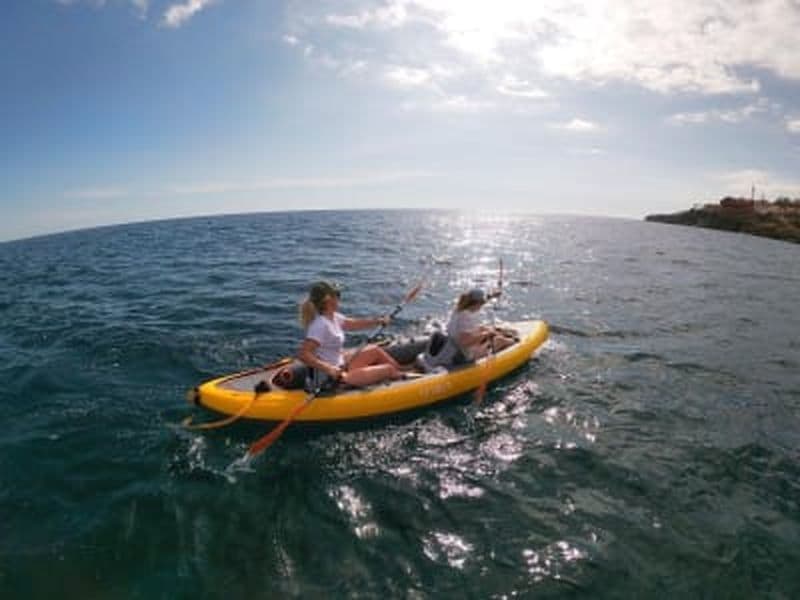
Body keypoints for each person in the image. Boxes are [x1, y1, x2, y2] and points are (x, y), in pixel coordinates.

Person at [297, 281, 403, 389]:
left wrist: (378, 321)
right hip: (333, 379)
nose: (339, 299)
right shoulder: (320, 325)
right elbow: (304, 354)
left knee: (375, 350)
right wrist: (329, 369)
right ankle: (404, 380)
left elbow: (353, 324)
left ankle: (401, 372)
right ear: (329, 300)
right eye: (337, 295)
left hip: (341, 364)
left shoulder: (334, 317)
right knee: (388, 369)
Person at [447, 287, 516, 360]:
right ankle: (515, 342)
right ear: (476, 303)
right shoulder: (465, 318)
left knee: (483, 328)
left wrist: (493, 295)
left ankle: (505, 336)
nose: (482, 306)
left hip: (454, 347)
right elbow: (464, 342)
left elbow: (484, 299)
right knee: (499, 340)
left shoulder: (459, 308)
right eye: (481, 304)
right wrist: (486, 334)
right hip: (465, 354)